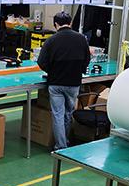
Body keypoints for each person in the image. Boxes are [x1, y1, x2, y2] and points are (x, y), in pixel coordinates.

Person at [37, 11, 91, 150]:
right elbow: (87, 60)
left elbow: (41, 62)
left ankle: (61, 146)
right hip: (73, 83)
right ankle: (65, 141)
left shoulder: (51, 40)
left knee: (58, 115)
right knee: (68, 113)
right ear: (71, 23)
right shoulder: (81, 39)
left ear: (56, 24)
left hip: (56, 83)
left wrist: (52, 71)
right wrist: (79, 70)